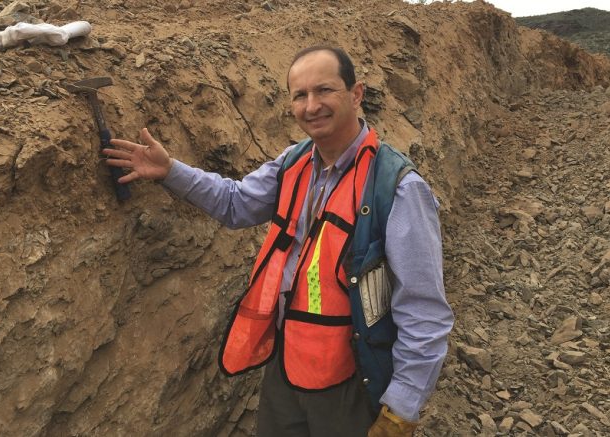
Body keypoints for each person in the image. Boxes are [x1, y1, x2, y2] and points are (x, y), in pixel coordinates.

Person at [103, 46, 454, 437]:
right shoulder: (294, 162)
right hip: (286, 366)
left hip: (351, 382)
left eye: (324, 90)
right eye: (300, 95)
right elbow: (236, 203)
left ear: (356, 94)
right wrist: (170, 170)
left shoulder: (398, 187)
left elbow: (423, 309)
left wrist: (401, 408)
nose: (311, 106)